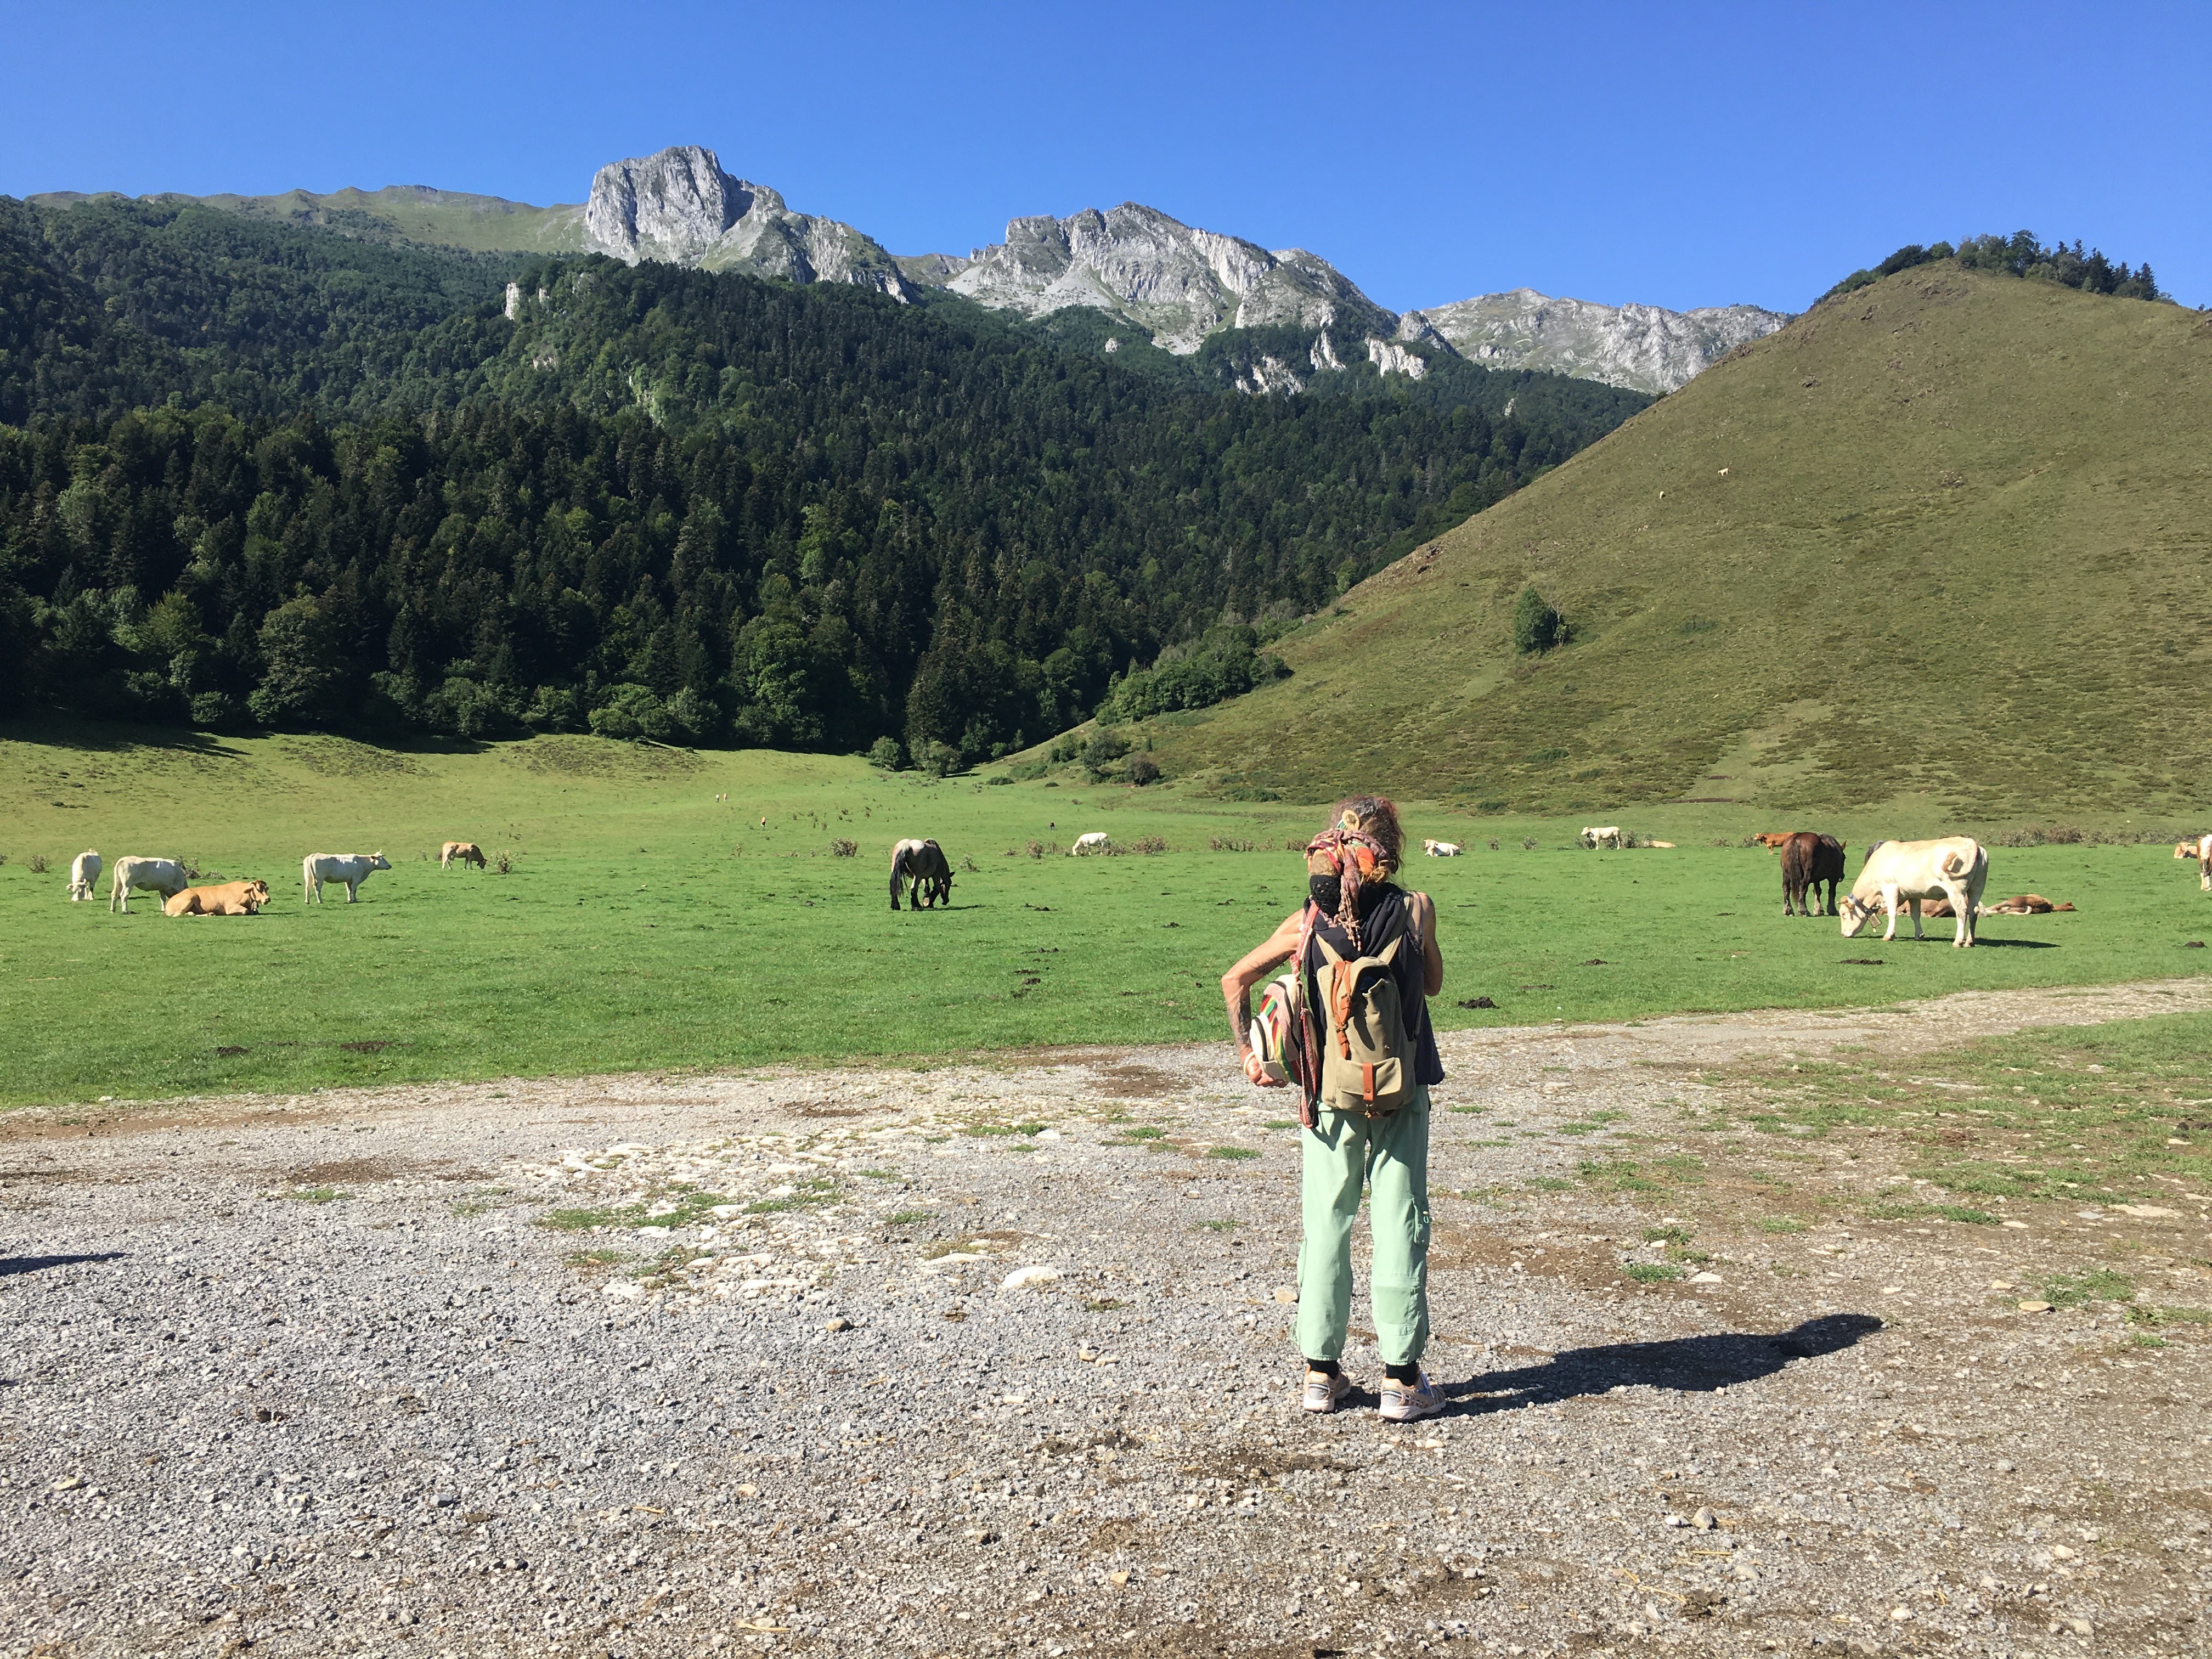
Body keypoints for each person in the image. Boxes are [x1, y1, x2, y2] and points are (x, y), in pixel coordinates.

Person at [1220, 796, 1447, 1422]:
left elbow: (1234, 981)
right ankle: (1403, 1383)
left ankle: (1320, 1376)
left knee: (1327, 1225)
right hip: (1404, 1089)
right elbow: (1431, 985)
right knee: (1400, 1222)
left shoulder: (1306, 920)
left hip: (1328, 1097)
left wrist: (1249, 1053)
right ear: (1390, 850)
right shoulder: (1416, 908)